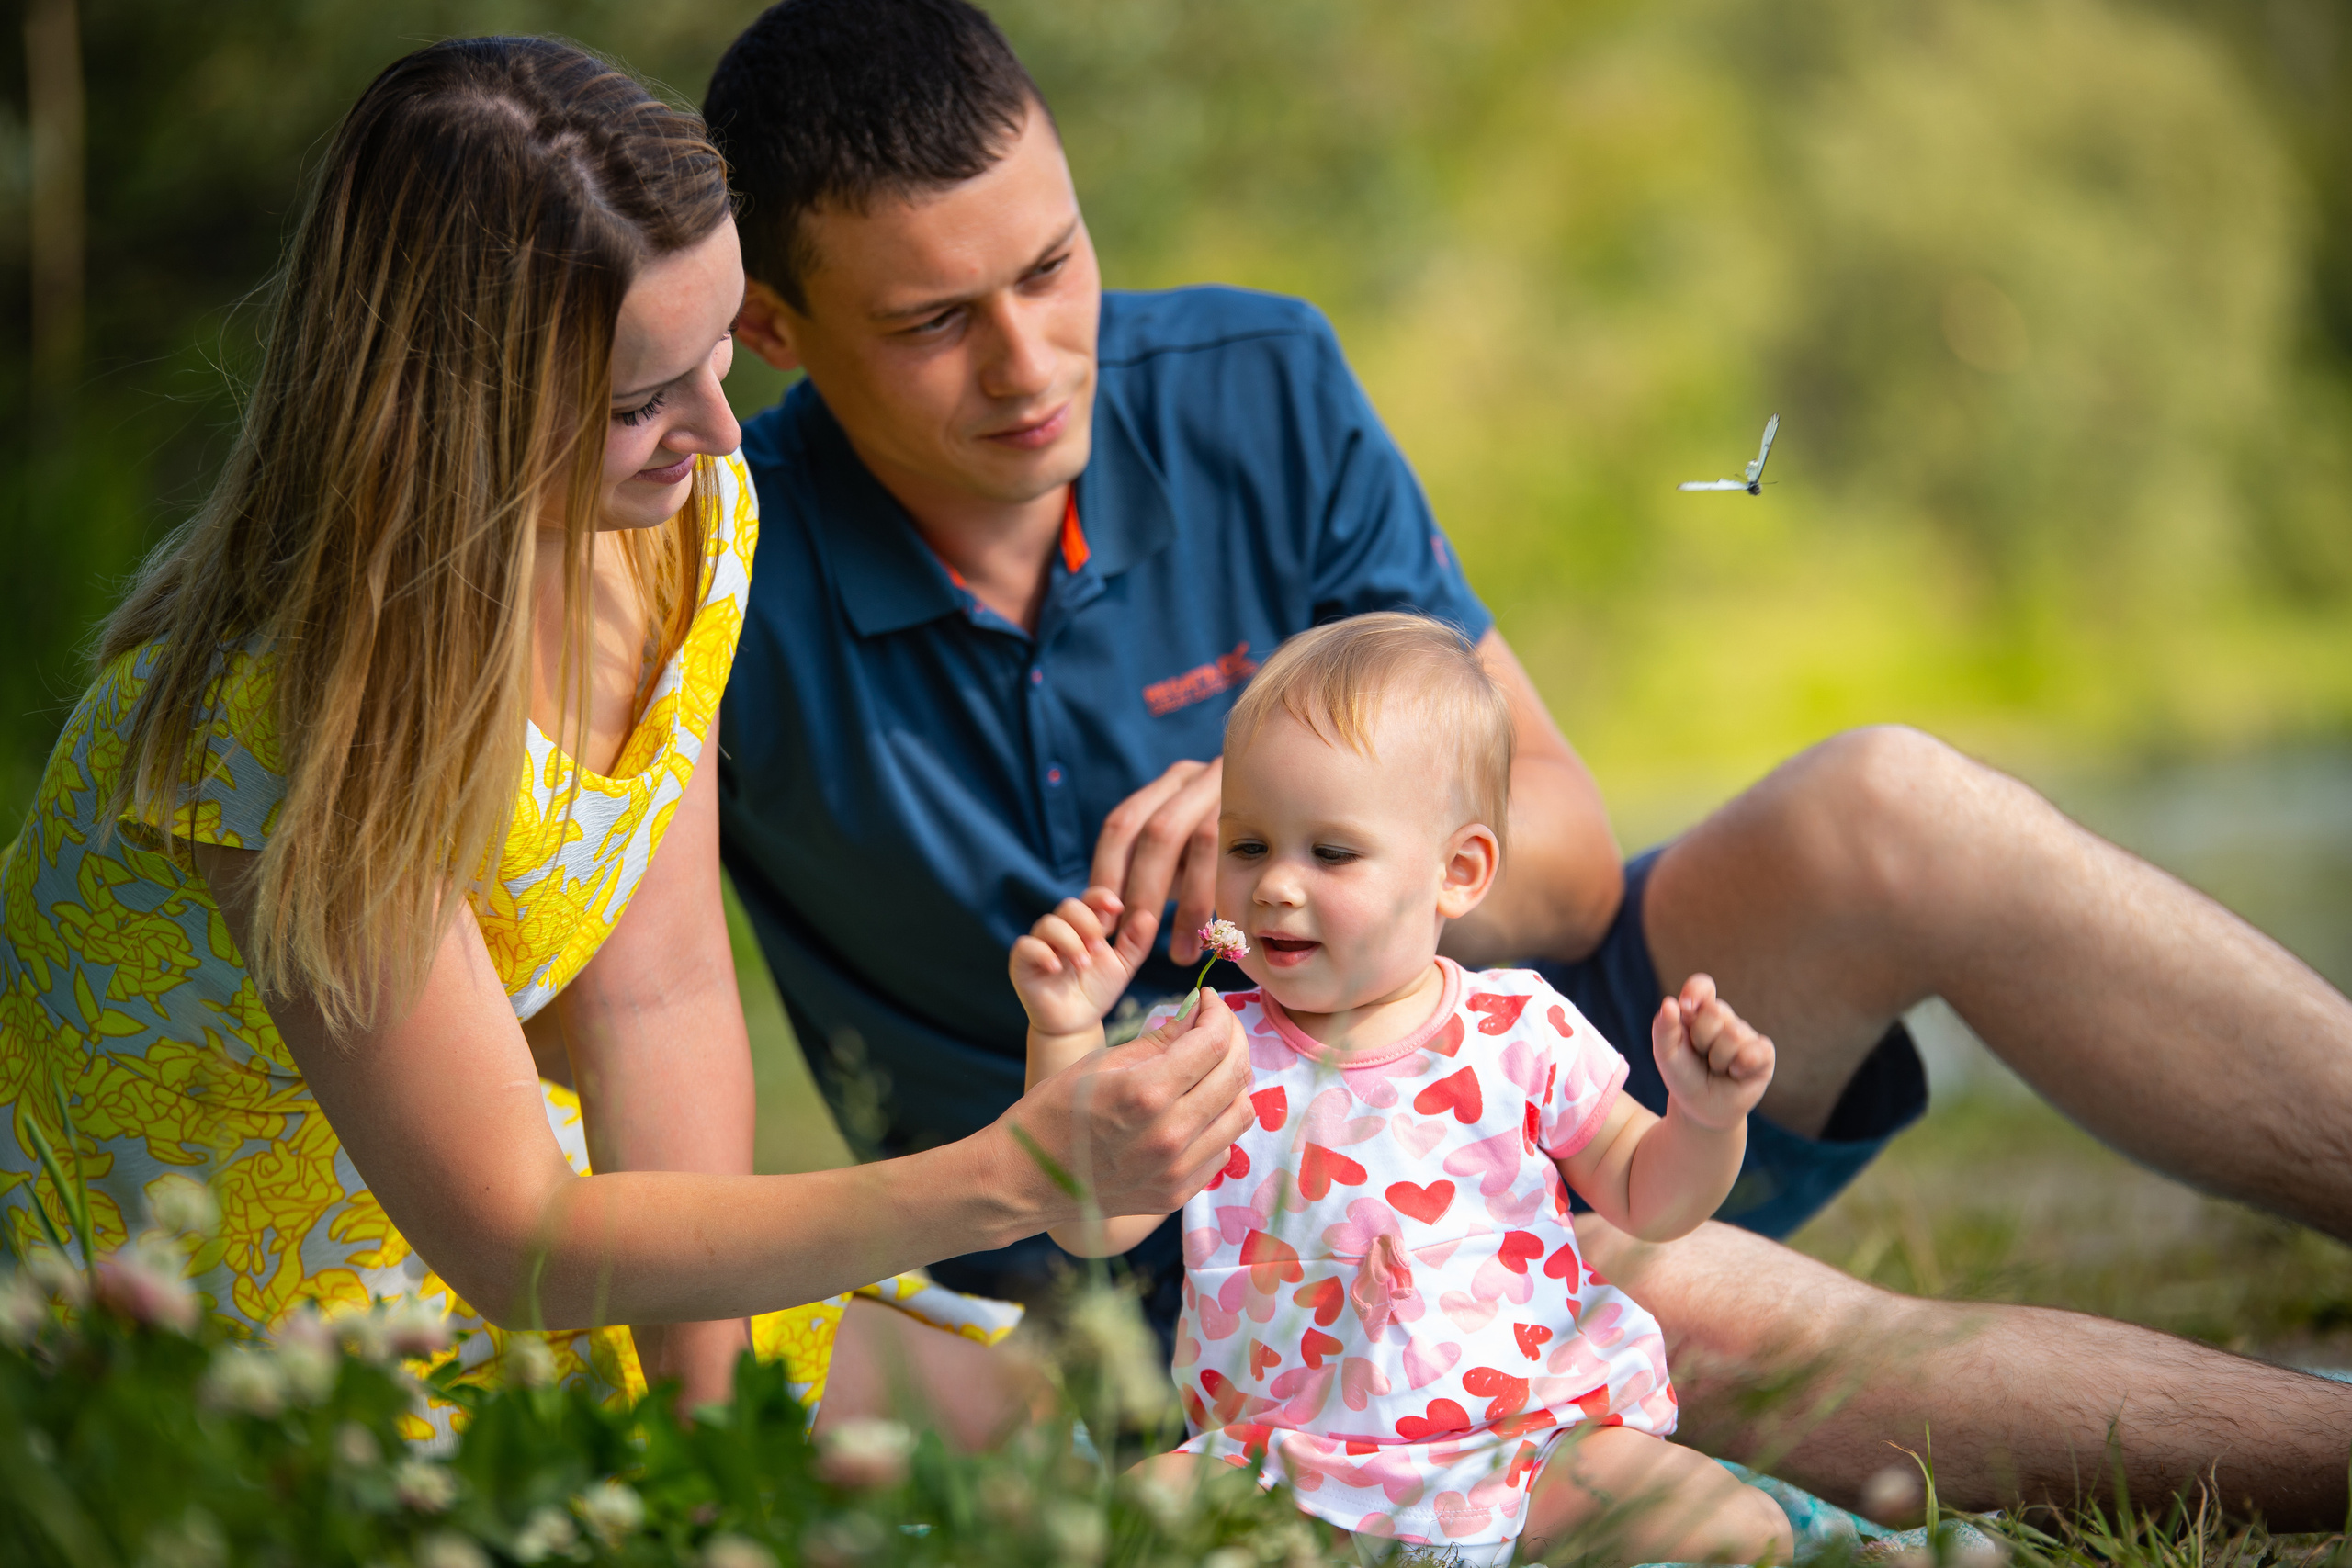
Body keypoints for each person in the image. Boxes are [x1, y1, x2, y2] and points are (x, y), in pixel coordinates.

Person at [705, 0, 2352, 1526]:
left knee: (1892, 803)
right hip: (1177, 1266)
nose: (1030, 358)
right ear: (770, 327)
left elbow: (1556, 859)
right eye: (935, 321)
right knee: (1669, 1303)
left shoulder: (1256, 385)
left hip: (1516, 1070)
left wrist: (1308, 834)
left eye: (1054, 265)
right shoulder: (707, 571)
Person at [0, 34, 1256, 1443]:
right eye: (635, 400)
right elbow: (516, 1240)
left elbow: (656, 1002)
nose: (719, 429)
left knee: (1060, 1441)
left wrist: (704, 1420)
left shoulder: (688, 530)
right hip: (216, 1320)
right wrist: (1012, 1176)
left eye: (717, 353)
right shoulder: (291, 715)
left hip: (524, 1233)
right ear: (444, 413)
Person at [1012, 614, 1793, 1565]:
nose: (1274, 888)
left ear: (1456, 872)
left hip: (1531, 1443)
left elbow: (1651, 1196)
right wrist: (1065, 1029)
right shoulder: (1212, 1044)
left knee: (1734, 1530)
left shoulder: (1519, 1031)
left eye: (1330, 853)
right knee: (1122, 1527)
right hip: (1285, 1467)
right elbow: (1094, 1220)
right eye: (1249, 846)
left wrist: (1706, 1119)